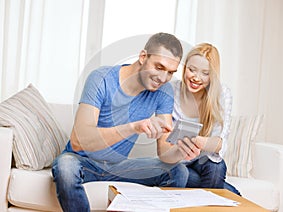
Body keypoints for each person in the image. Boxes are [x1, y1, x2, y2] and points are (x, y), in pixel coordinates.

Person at [51, 33, 200, 212]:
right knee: (66, 167)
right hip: (83, 162)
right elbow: (78, 141)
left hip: (118, 168)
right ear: (143, 56)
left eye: (170, 72)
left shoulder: (164, 92)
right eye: (159, 67)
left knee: (178, 171)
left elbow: (165, 153)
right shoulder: (101, 79)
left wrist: (180, 150)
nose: (163, 78)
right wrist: (133, 127)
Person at [170, 43, 240, 195]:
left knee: (217, 167)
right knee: (227, 191)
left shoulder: (222, 94)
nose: (196, 77)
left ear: (212, 75)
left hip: (203, 158)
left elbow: (220, 144)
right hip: (177, 161)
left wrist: (196, 141)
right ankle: (237, 201)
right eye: (191, 70)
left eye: (205, 73)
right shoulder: (171, 90)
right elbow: (164, 140)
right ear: (184, 67)